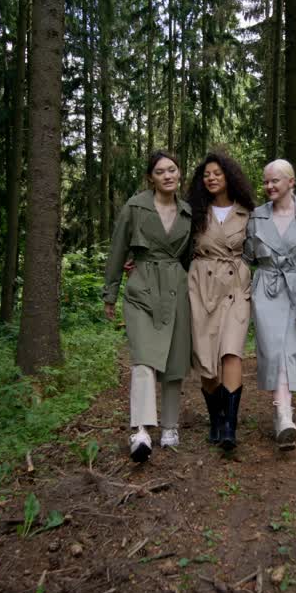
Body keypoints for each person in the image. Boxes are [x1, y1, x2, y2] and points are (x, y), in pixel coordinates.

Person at [103, 150, 194, 462]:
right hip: (141, 288)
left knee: (173, 360)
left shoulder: (188, 212)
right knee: (143, 359)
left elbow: (192, 256)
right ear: (150, 178)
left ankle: (169, 426)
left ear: (179, 173)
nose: (167, 175)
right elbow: (118, 248)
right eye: (160, 172)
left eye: (172, 169)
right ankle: (141, 430)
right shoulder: (136, 206)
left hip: (176, 289)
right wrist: (110, 292)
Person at [244, 159, 296, 450]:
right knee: (276, 352)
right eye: (265, 181)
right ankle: (283, 415)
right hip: (266, 291)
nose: (268, 186)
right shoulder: (256, 217)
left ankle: (283, 413)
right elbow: (244, 258)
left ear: (291, 182)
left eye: (275, 181)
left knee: (294, 352)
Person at [186, 152, 256, 450]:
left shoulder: (248, 213)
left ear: (229, 176)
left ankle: (229, 425)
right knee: (206, 359)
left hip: (236, 286)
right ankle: (214, 418)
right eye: (206, 175)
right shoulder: (193, 212)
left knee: (231, 352)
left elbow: (259, 250)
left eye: (217, 173)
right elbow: (172, 246)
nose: (211, 178)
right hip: (201, 284)